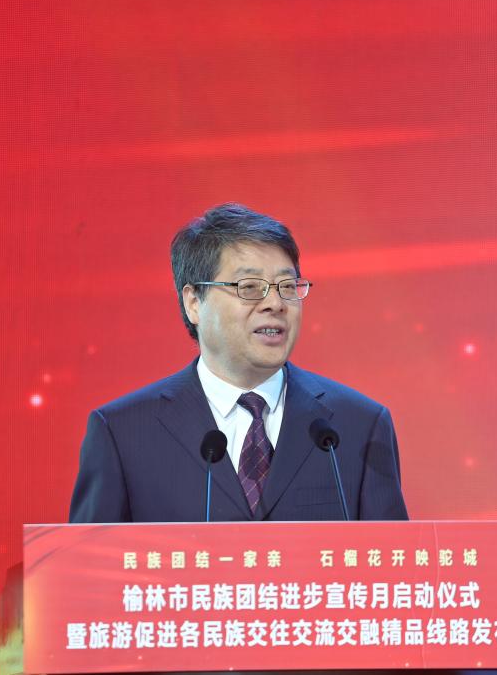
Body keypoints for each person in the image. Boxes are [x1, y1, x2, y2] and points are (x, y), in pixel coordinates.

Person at [68, 203, 408, 523]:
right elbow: (89, 565)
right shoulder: (123, 433)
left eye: (287, 286)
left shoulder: (357, 426)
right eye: (249, 287)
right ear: (194, 302)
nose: (275, 303)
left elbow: (390, 561)